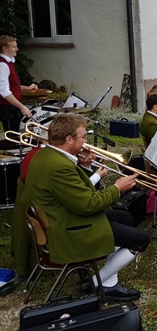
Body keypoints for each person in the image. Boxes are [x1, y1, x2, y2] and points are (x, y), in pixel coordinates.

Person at [25, 114, 150, 300]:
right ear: (69, 139)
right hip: (68, 231)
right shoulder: (59, 166)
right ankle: (98, 283)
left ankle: (109, 282)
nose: (86, 142)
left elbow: (73, 192)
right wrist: (117, 188)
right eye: (83, 137)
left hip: (62, 216)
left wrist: (85, 166)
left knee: (125, 218)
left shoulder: (46, 155)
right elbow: (88, 205)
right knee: (142, 239)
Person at [0, 35, 38, 132]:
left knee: (18, 134)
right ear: (4, 48)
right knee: (13, 138)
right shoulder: (3, 65)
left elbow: (11, 86)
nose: (17, 49)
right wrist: (22, 107)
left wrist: (27, 88)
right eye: (14, 47)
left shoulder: (9, 63)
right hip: (7, 108)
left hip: (12, 107)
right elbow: (4, 91)